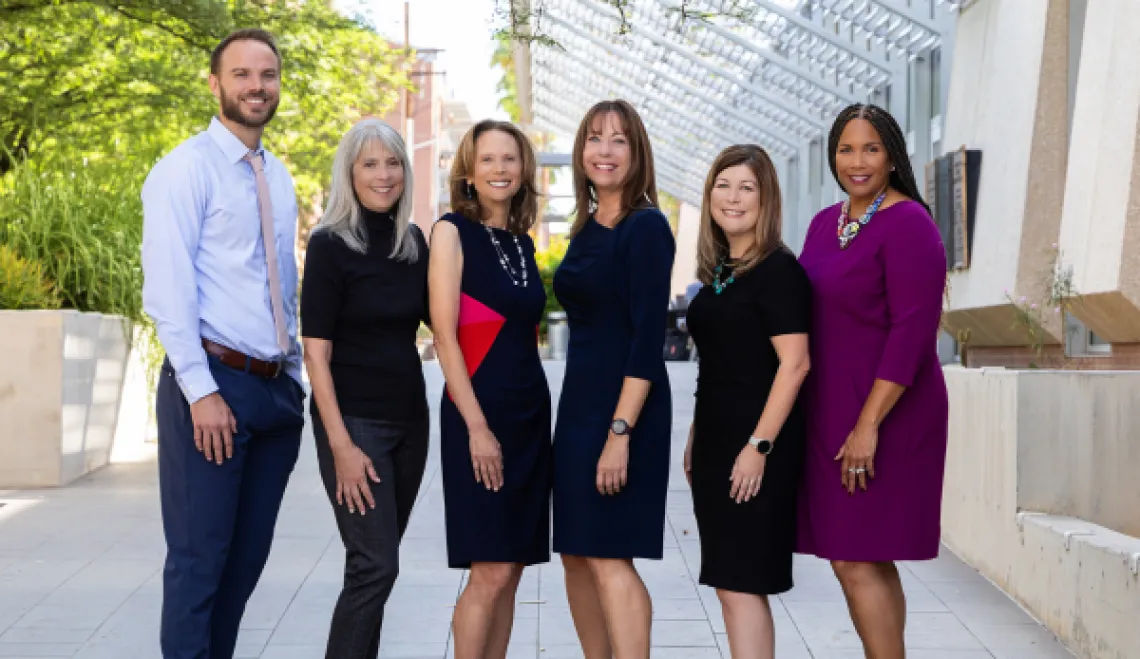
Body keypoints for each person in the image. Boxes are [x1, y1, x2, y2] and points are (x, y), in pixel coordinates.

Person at [141, 29, 305, 658]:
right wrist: (200, 391)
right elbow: (169, 291)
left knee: (242, 569)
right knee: (198, 564)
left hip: (274, 394)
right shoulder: (184, 170)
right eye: (241, 75)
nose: (256, 87)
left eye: (267, 75)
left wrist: (293, 378)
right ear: (215, 84)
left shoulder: (278, 175)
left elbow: (279, 281)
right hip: (213, 387)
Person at [796, 103, 949, 658]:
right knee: (858, 554)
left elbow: (913, 332)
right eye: (845, 149)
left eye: (870, 148)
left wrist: (867, 425)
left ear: (892, 156)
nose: (856, 162)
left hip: (887, 411)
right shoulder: (823, 224)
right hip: (831, 408)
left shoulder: (909, 223)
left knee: (857, 554)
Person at [300, 118, 429, 658]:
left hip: (409, 423)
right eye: (370, 163)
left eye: (393, 162)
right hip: (355, 424)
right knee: (376, 565)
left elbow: (443, 326)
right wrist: (342, 447)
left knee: (374, 567)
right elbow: (316, 354)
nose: (384, 174)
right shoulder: (330, 244)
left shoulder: (412, 242)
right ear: (349, 173)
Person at [552, 99, 676, 659]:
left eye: (618, 140)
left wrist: (619, 433)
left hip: (625, 409)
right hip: (579, 407)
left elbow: (647, 340)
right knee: (577, 552)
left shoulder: (645, 227)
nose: (605, 150)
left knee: (608, 554)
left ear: (637, 153)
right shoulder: (588, 224)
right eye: (595, 138)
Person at [428, 119, 551, 659]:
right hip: (477, 415)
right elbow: (444, 335)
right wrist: (477, 427)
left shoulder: (523, 245)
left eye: (510, 158)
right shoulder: (450, 232)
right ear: (469, 172)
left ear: (523, 171)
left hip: (529, 415)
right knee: (491, 568)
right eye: (488, 159)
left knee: (514, 568)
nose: (500, 168)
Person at [683, 145, 811, 659]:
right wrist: (696, 438)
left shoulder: (778, 270)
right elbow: (717, 365)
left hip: (756, 446)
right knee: (728, 583)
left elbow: (795, 363)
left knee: (741, 582)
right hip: (717, 443)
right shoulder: (722, 271)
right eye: (723, 184)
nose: (732, 197)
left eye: (747, 187)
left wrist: (758, 446)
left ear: (766, 200)